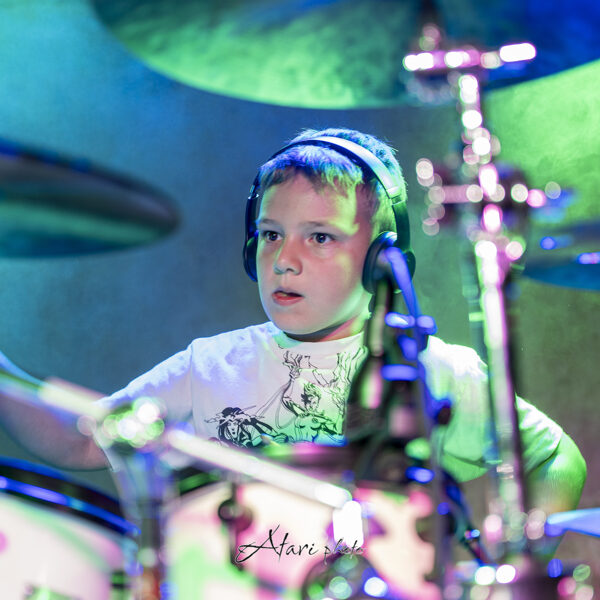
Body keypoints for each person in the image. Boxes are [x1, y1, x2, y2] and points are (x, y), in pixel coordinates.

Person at [0, 127, 586, 512]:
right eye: (271, 235)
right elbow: (80, 441)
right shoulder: (211, 367)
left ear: (382, 259)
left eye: (320, 237)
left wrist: (512, 559)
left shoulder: (433, 372)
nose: (285, 259)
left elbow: (556, 458)